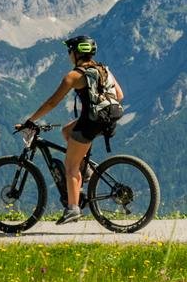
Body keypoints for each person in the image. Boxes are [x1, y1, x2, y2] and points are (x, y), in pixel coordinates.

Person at [16, 36, 124, 224]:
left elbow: (52, 102)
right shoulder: (104, 69)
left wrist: (30, 121)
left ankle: (73, 209)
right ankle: (87, 170)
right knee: (66, 131)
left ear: (76, 53)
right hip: (111, 116)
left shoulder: (74, 76)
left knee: (71, 166)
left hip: (91, 121)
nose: (68, 55)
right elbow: (120, 95)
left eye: (69, 51)